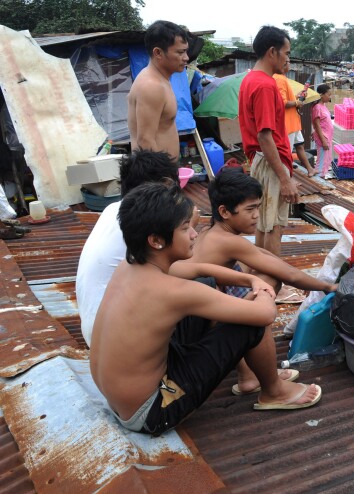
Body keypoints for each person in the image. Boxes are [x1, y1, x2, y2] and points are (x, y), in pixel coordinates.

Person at [90, 183, 321, 436]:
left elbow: (201, 270)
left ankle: (251, 376)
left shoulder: (131, 264)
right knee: (250, 322)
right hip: (150, 411)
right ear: (156, 240)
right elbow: (265, 315)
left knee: (208, 284)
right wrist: (263, 289)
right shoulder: (173, 292)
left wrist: (249, 280)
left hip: (119, 398)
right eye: (185, 228)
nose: (193, 235)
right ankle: (274, 392)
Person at [187, 168, 337, 394]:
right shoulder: (228, 242)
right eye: (250, 209)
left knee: (258, 273)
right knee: (266, 286)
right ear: (224, 211)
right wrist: (327, 286)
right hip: (202, 330)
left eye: (257, 207)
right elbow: (289, 275)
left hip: (193, 322)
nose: (257, 215)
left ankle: (248, 371)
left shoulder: (211, 232)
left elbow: (267, 258)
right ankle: (250, 375)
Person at [77, 150, 184, 347]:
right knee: (208, 287)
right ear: (166, 184)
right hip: (118, 337)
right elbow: (182, 268)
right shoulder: (148, 221)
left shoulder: (112, 209)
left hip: (96, 330)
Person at [239, 25, 301, 258]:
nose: (287, 59)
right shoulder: (265, 85)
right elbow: (265, 136)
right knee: (274, 225)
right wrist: (285, 179)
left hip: (260, 160)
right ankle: (275, 283)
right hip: (270, 161)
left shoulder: (249, 79)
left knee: (264, 223)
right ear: (272, 52)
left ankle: (262, 274)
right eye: (286, 53)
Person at [127, 21, 189, 161]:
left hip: (161, 174)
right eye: (180, 52)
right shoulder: (151, 86)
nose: (186, 57)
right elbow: (145, 142)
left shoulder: (161, 80)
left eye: (185, 51)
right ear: (158, 53)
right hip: (155, 176)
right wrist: (163, 179)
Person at [273, 62, 317, 177]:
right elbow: (282, 103)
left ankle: (310, 169)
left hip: (293, 123)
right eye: (287, 62)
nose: (289, 65)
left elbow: (287, 98)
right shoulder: (279, 79)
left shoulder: (282, 78)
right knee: (286, 153)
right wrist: (297, 102)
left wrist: (296, 96)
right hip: (287, 124)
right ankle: (288, 178)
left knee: (299, 146)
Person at [311, 84, 334, 179]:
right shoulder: (317, 107)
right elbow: (316, 124)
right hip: (323, 138)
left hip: (327, 137)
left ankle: (322, 177)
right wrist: (323, 140)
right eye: (328, 94)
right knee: (321, 161)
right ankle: (318, 181)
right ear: (321, 95)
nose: (330, 97)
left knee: (326, 160)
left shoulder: (323, 106)